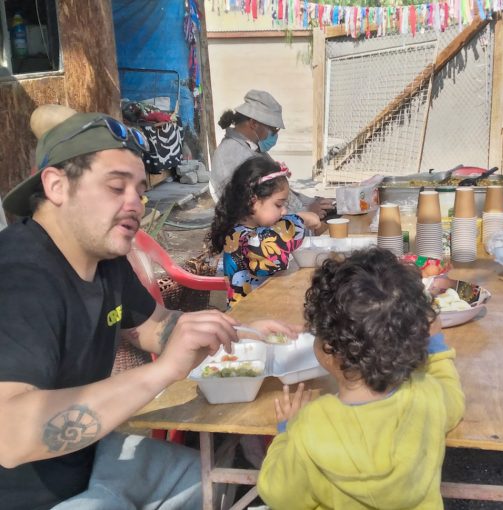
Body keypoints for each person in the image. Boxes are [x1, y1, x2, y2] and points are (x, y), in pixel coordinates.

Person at [0, 112, 299, 510]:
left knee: (208, 479)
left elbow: (156, 328)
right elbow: (10, 436)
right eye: (116, 187)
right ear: (56, 186)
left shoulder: (103, 256)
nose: (135, 204)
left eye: (139, 190)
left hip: (94, 457)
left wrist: (239, 330)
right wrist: (162, 370)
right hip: (33, 495)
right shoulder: (19, 277)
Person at [257, 248, 465, 509]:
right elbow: (453, 397)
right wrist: (434, 345)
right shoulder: (426, 395)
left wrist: (286, 432)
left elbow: (278, 495)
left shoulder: (309, 426)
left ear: (328, 347)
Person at [207, 156, 321, 305]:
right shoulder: (239, 236)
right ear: (253, 202)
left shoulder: (258, 229)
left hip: (265, 308)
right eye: (278, 205)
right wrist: (301, 218)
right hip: (246, 317)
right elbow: (271, 246)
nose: (284, 211)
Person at [209, 89, 335, 219]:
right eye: (273, 129)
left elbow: (280, 193)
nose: (275, 135)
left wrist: (312, 202)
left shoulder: (252, 149)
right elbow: (256, 211)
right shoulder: (233, 154)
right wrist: (303, 213)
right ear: (253, 123)